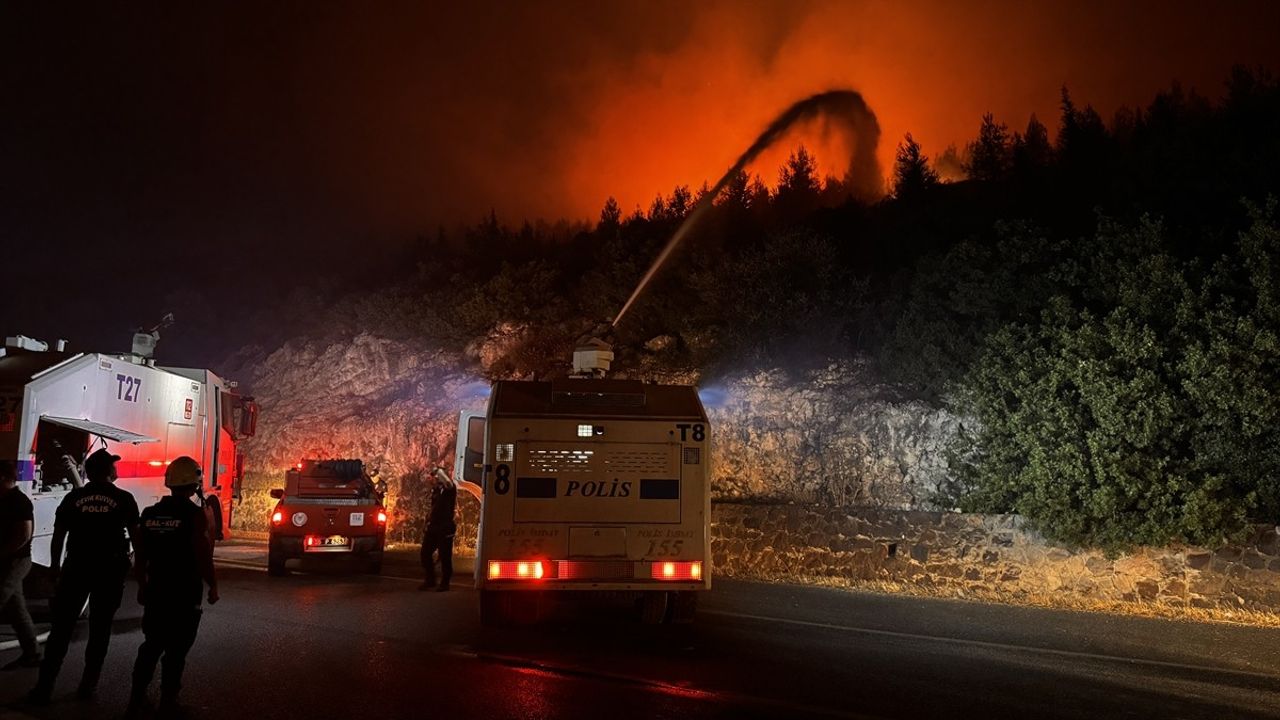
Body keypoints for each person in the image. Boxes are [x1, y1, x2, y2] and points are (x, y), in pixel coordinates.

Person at [28, 447, 139, 703]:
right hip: (109, 573)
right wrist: (140, 569)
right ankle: (88, 686)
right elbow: (136, 537)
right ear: (108, 471)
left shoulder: (73, 498)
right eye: (113, 465)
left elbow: (59, 536)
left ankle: (44, 687)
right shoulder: (124, 498)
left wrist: (54, 568)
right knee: (100, 631)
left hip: (76, 569)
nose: (116, 468)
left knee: (61, 630)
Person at [128, 456, 219, 713]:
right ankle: (168, 702)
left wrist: (142, 586)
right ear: (195, 485)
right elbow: (203, 554)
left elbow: (141, 554)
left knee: (151, 645)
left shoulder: (150, 514)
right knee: (177, 650)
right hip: (184, 591)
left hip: (157, 589)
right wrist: (213, 585)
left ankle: (136, 700)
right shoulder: (195, 515)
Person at [1, 459, 41, 670]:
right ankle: (32, 653)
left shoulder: (19, 501)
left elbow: (24, 534)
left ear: (3, 478)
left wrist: (3, 552)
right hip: (8, 560)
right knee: (16, 610)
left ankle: (32, 653)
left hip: (17, 561)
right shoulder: (4, 499)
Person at [419, 468, 457, 592]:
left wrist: (439, 471)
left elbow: (448, 483)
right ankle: (430, 579)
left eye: (435, 477)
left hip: (445, 527)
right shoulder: (436, 490)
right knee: (425, 553)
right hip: (434, 526)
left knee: (445, 556)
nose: (432, 480)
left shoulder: (449, 489)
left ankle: (445, 583)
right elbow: (434, 508)